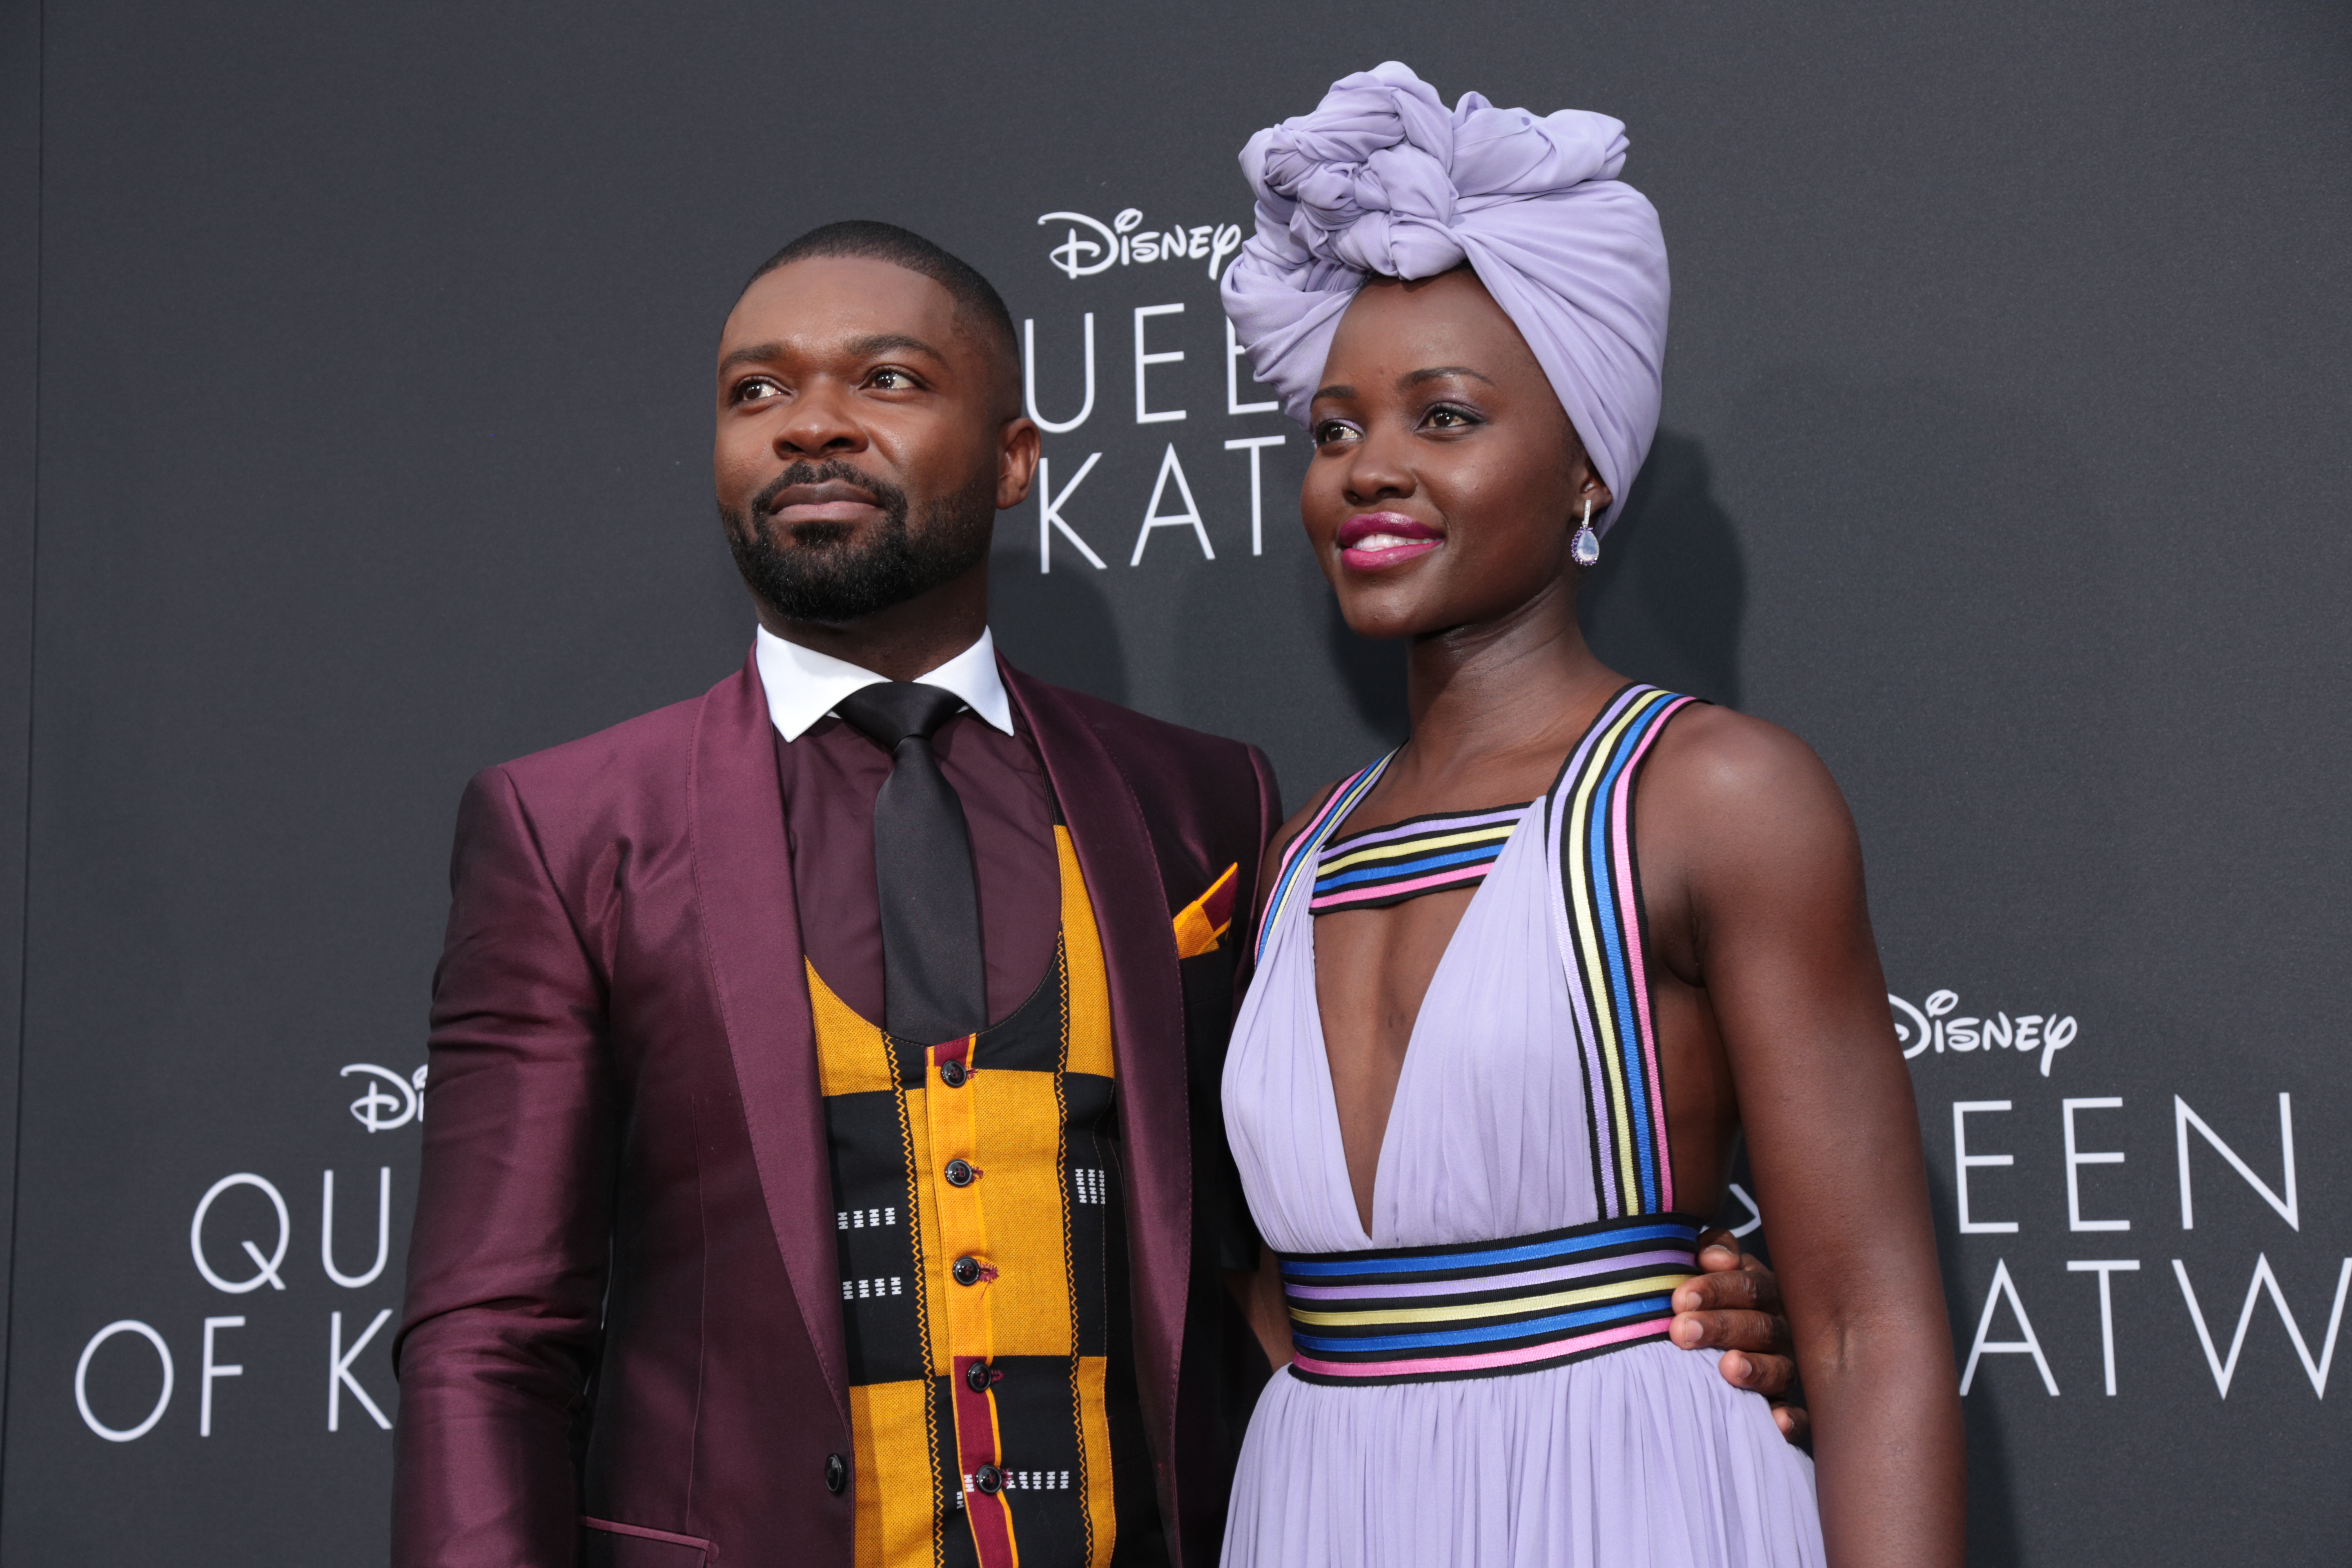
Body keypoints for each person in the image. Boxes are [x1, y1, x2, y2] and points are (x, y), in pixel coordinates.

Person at [392, 218, 1805, 1568]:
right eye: (756, 391)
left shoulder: (1205, 808)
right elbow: (488, 1336)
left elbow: (1309, 1227)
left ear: (1016, 460)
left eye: (885, 379)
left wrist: (1666, 1303)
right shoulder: (569, 830)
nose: (809, 422)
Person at [1216, 65, 1963, 1568]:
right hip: (1318, 1513)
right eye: (1336, 429)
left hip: (1628, 1504)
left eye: (1447, 416)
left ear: (1583, 468)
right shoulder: (1300, 847)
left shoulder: (1714, 797)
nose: (1371, 468)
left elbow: (1870, 1325)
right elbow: (1258, 1274)